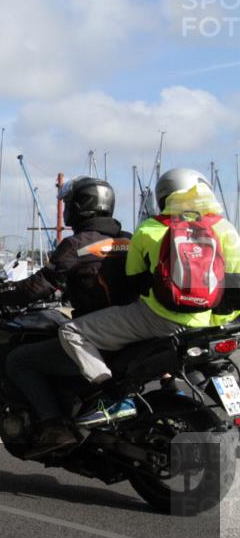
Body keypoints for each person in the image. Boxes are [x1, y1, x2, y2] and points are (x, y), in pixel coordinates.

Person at [0, 177, 135, 456]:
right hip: (131, 331)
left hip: (98, 335)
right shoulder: (128, 239)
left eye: (68, 203)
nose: (66, 209)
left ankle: (55, 426)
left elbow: (37, 287)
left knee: (19, 360)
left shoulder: (77, 244)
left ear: (81, 206)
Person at [59, 168, 240, 395]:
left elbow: (135, 282)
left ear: (162, 195)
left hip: (162, 318)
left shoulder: (150, 228)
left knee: (72, 331)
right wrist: (212, 318)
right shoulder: (225, 228)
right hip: (213, 322)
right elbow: (235, 285)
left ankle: (111, 395)